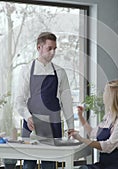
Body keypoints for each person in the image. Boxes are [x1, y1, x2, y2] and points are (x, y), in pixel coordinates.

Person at [14, 32, 75, 169]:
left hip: (53, 123)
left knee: (50, 164)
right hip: (31, 123)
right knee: (29, 164)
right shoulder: (26, 70)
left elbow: (66, 101)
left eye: (55, 48)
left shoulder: (60, 72)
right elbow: (19, 100)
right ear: (39, 47)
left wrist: (71, 126)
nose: (53, 52)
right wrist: (28, 117)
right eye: (49, 48)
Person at [70, 80, 118, 169]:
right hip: (105, 163)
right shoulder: (108, 116)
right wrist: (81, 117)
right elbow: (93, 133)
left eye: (105, 92)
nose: (103, 95)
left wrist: (81, 139)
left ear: (112, 96)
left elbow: (108, 146)